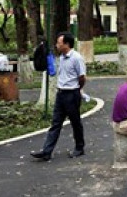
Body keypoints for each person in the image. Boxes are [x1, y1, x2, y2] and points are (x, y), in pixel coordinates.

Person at [31, 32, 87, 161]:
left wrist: (77, 89)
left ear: (66, 44)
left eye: (59, 43)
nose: (57, 45)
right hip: (61, 94)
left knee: (75, 122)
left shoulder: (76, 58)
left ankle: (79, 147)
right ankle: (47, 151)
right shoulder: (61, 57)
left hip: (72, 94)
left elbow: (82, 77)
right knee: (55, 123)